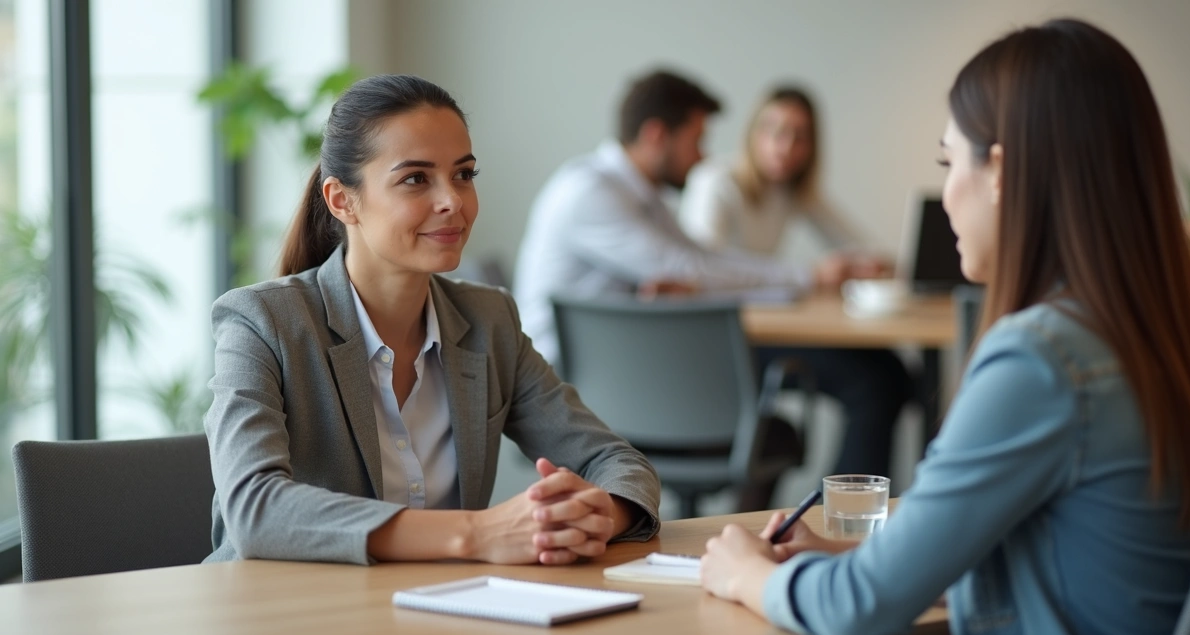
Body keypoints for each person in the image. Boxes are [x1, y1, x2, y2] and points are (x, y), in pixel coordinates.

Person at [698, 18, 1190, 635]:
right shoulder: (1167, 334)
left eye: (949, 161)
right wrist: (844, 560)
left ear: (1000, 170)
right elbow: (1047, 555)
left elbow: (856, 612)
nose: (945, 197)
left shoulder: (1042, 362)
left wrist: (744, 573)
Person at [204, 75, 660, 567]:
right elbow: (254, 509)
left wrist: (592, 517)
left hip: (438, 609)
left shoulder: (490, 321)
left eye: (463, 174)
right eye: (416, 179)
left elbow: (617, 462)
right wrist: (476, 534)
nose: (453, 201)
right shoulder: (260, 323)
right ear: (342, 200)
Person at [680, 86, 910, 480]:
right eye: (774, 130)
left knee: (891, 371)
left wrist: (882, 264)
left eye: (799, 136)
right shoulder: (716, 182)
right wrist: (813, 275)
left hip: (762, 332)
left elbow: (856, 243)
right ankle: (845, 513)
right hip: (721, 344)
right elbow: (701, 275)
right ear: (752, 134)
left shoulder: (790, 192)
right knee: (876, 382)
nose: (784, 146)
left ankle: (851, 508)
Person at [513, 70, 815, 368]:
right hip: (565, 383)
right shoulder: (588, 191)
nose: (702, 157)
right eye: (696, 142)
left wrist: (796, 278)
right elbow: (690, 269)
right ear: (656, 135)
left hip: (618, 363)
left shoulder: (646, 198)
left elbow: (700, 256)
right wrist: (806, 277)